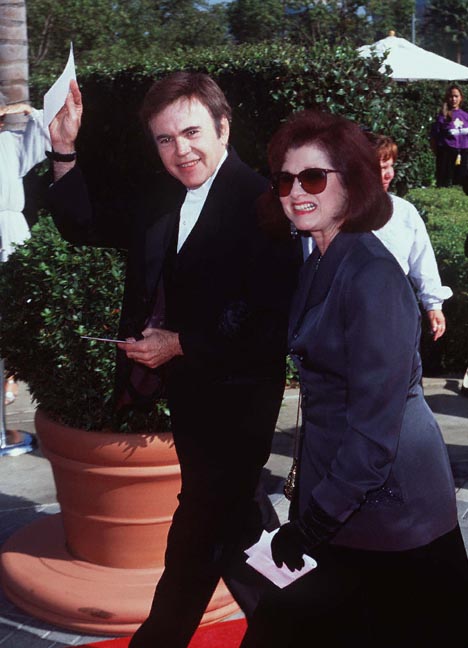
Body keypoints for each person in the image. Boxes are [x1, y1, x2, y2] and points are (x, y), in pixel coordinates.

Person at [47, 72, 299, 648]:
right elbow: (82, 223)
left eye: (191, 132)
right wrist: (63, 148)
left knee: (198, 527)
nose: (180, 149)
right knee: (235, 524)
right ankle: (304, 619)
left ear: (223, 128)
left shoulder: (263, 204)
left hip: (238, 401)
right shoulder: (162, 195)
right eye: (164, 139)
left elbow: (267, 321)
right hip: (189, 397)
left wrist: (181, 343)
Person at [240, 109, 468, 648]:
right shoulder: (321, 256)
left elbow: (373, 428)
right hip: (340, 490)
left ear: (354, 183)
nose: (296, 191)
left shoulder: (372, 277)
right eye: (285, 179)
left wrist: (310, 525)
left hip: (392, 501)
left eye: (314, 177)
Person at [365, 131, 452, 340]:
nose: (388, 174)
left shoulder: (404, 212)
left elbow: (422, 261)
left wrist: (433, 305)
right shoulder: (335, 214)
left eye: (390, 166)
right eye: (381, 168)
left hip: (396, 313)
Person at [0, 95, 47, 405]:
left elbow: (43, 136)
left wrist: (29, 111)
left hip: (10, 228)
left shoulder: (10, 142)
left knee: (14, 305)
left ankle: (10, 378)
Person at [430, 83, 468, 188]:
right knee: (444, 184)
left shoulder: (465, 116)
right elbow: (433, 138)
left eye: (456, 96)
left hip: (463, 154)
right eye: (451, 96)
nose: (453, 99)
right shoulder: (443, 117)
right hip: (446, 154)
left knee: (462, 184)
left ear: (461, 98)